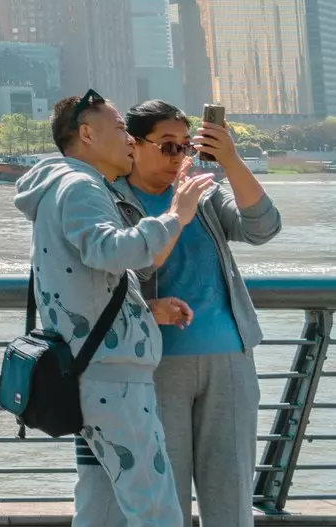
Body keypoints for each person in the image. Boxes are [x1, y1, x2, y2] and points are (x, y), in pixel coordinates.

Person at [15, 90, 215, 527]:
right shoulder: (81, 185)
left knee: (99, 506)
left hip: (88, 370)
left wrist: (145, 309)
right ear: (86, 134)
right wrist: (176, 215)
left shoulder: (62, 185)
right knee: (156, 507)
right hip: (112, 380)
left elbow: (90, 274)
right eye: (121, 128)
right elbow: (110, 250)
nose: (128, 138)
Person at [111, 102, 282, 527]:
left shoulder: (202, 190)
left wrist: (230, 159)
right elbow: (136, 267)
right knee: (163, 503)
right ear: (133, 144)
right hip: (152, 364)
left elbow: (263, 228)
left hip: (230, 359)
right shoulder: (112, 198)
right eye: (167, 146)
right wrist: (176, 213)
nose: (178, 157)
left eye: (185, 146)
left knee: (232, 502)